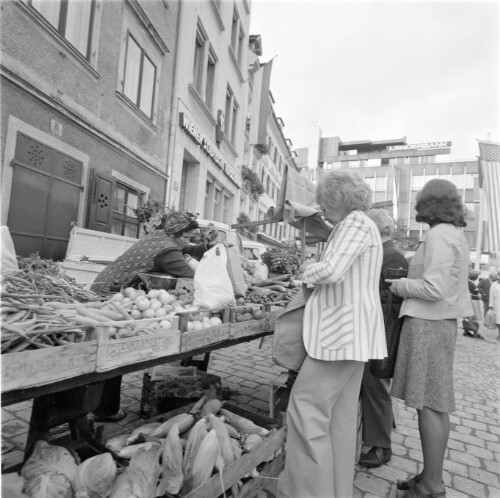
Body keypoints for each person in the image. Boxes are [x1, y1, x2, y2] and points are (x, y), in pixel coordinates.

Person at [277, 170, 387, 498]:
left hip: (340, 335)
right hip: (352, 336)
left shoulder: (354, 223)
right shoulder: (363, 225)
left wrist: (303, 274)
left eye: (325, 201)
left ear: (337, 199)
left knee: (306, 410)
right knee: (339, 419)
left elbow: (333, 270)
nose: (322, 207)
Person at [387, 179, 472, 498]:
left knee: (431, 406)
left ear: (428, 204)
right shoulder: (453, 234)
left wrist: (399, 285)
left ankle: (432, 486)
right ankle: (429, 475)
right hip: (439, 324)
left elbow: (433, 289)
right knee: (434, 406)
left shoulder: (438, 235)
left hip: (429, 324)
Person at [91, 211, 216, 422]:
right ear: (176, 233)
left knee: (110, 347)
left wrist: (206, 247)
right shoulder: (166, 251)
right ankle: (105, 410)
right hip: (112, 296)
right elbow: (190, 273)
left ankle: (103, 407)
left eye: (191, 237)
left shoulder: (161, 236)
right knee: (113, 349)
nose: (188, 241)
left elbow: (186, 247)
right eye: (186, 236)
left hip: (109, 286)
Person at [359, 209, 408, 469]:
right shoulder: (383, 252)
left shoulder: (392, 255)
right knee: (372, 386)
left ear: (376, 230)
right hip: (373, 329)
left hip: (382, 332)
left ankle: (382, 447)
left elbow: (394, 300)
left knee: (376, 386)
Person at [488, 272, 500, 340]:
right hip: (497, 305)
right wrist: (490, 305)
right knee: (498, 320)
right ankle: (499, 334)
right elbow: (491, 295)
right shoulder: (494, 284)